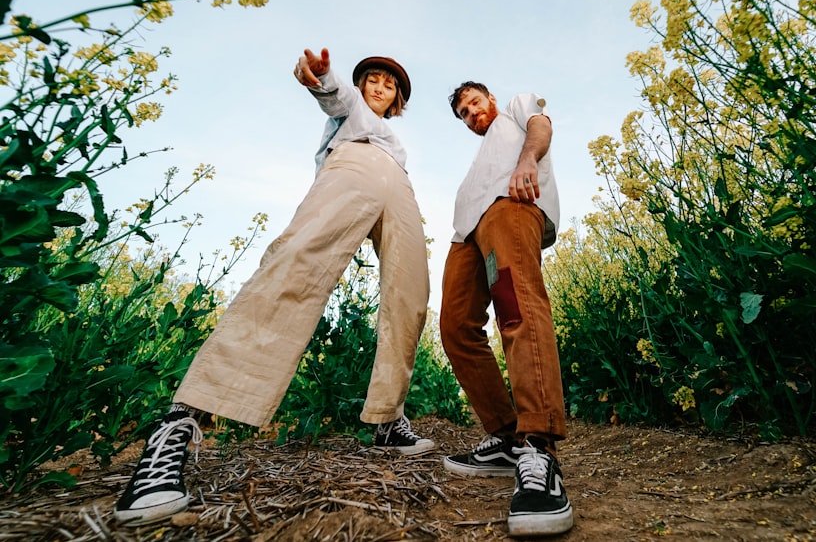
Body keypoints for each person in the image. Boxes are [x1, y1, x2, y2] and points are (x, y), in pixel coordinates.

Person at [113, 49, 435, 525]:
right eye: (373, 79)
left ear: (398, 100)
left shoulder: (396, 140)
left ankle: (388, 420)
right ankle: (179, 425)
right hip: (353, 169)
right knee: (295, 268)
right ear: (363, 86)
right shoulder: (354, 111)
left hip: (399, 186)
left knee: (411, 296)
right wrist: (323, 79)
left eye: (389, 84)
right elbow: (336, 95)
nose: (379, 86)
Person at [438, 81, 573, 537]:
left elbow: (541, 125)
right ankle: (505, 436)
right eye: (463, 113)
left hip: (512, 205)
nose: (471, 113)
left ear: (491, 99)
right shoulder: (480, 155)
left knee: (515, 306)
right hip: (467, 233)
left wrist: (528, 159)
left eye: (474, 103)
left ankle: (538, 445)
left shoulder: (516, 109)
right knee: (456, 327)